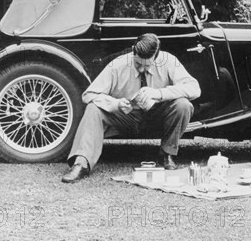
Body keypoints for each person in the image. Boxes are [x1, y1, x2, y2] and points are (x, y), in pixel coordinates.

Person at [62, 33, 201, 183]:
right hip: (125, 117)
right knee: (93, 108)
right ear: (133, 51)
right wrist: (115, 104)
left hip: (157, 116)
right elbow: (88, 95)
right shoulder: (118, 65)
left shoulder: (169, 61)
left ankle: (167, 154)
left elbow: (194, 89)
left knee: (183, 105)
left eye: (147, 65)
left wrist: (159, 93)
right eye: (137, 64)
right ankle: (82, 162)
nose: (141, 69)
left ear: (157, 55)